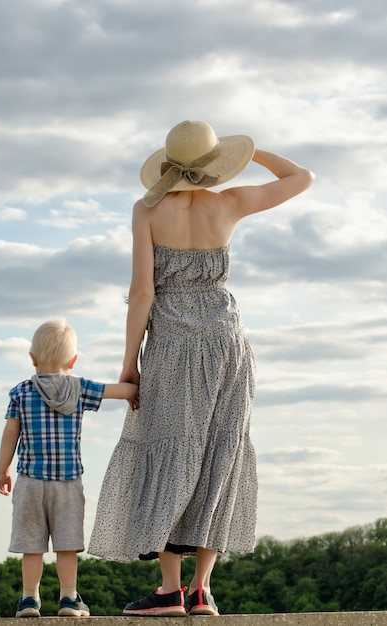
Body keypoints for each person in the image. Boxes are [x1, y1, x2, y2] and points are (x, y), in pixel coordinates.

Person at [88, 120, 314, 616]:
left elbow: (143, 293)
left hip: (170, 346)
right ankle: (202, 589)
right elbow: (302, 178)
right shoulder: (230, 202)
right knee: (220, 455)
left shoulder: (146, 209)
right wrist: (250, 155)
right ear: (215, 164)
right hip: (225, 346)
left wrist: (129, 366)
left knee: (168, 452)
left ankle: (170, 590)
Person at [0, 320, 138, 618]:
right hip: (68, 482)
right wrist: (135, 388)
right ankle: (69, 599)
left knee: (31, 546)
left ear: (32, 358)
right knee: (66, 545)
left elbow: (11, 433)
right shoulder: (79, 388)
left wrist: (3, 470)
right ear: (72, 361)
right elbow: (121, 390)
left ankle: (29, 600)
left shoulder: (20, 392)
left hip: (30, 482)